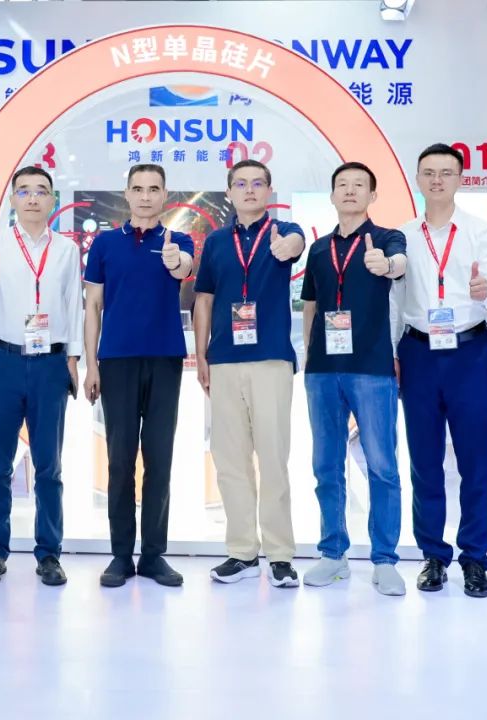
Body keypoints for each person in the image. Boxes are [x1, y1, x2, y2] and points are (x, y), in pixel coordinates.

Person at [391, 143, 487, 598]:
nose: (437, 180)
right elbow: (395, 300)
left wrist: (486, 289)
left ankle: (475, 558)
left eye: (446, 172)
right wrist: (393, 351)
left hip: (468, 351)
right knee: (424, 462)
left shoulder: (480, 231)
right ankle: (433, 556)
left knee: (475, 460)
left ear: (460, 179)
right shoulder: (403, 236)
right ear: (418, 179)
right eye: (429, 173)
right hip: (418, 353)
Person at [193, 159, 305, 588]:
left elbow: (296, 244)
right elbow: (203, 300)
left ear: (269, 190)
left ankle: (280, 554)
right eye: (241, 184)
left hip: (271, 359)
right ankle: (242, 552)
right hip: (223, 360)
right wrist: (202, 355)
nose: (250, 190)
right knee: (230, 461)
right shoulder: (216, 242)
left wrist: (289, 246)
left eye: (258, 183)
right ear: (229, 193)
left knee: (273, 458)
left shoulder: (283, 231)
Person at [0, 166, 82, 587]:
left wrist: (73, 358)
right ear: (13, 199)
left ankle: (49, 553)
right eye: (25, 191)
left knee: (49, 465)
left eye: (41, 191)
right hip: (3, 361)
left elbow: (73, 304)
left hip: (50, 363)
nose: (33, 198)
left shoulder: (67, 249)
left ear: (52, 199)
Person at [83, 163, 194, 588]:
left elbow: (184, 268)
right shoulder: (105, 243)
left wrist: (175, 260)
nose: (146, 196)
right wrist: (92, 364)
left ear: (165, 195)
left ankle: (152, 555)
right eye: (138, 188)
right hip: (117, 361)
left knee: (159, 459)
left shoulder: (178, 240)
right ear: (126, 194)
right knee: (120, 460)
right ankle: (120, 555)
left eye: (153, 189)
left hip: (165, 359)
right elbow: (93, 307)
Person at [300, 162, 409, 596]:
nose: (350, 191)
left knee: (382, 466)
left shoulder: (386, 238)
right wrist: (310, 355)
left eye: (359, 185)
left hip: (372, 368)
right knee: (326, 466)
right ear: (331, 195)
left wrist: (386, 264)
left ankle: (385, 559)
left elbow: (399, 264)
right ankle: (333, 554)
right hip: (323, 371)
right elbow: (311, 305)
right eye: (342, 185)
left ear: (372, 195)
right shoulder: (318, 249)